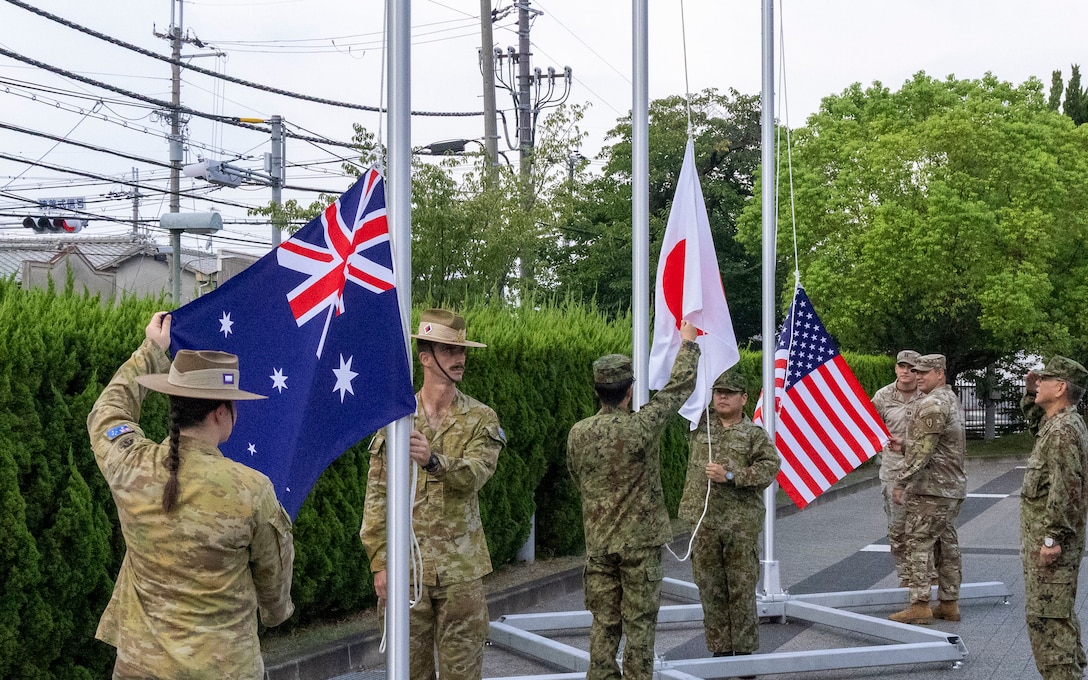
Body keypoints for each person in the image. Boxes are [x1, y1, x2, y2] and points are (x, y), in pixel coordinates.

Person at [87, 311, 295, 680]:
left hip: (140, 667)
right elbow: (274, 591)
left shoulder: (130, 465)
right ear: (220, 411)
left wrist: (152, 348)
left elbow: (107, 412)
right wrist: (275, 612)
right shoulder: (252, 490)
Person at [360, 308, 505, 680]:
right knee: (407, 673)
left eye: (461, 352)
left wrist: (433, 461)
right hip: (405, 571)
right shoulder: (397, 418)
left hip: (461, 573)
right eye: (448, 351)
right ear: (426, 357)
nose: (459, 359)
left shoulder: (481, 418)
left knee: (463, 674)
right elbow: (377, 496)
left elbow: (477, 474)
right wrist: (379, 562)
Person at [566, 320, 699, 680]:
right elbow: (677, 389)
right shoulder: (640, 427)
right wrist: (688, 344)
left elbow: (577, 475)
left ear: (597, 390)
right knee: (639, 627)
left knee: (604, 625)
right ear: (629, 390)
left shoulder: (578, 433)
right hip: (640, 546)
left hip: (598, 545)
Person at [678, 367, 779, 663]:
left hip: (739, 525)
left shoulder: (754, 435)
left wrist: (732, 475)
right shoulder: (700, 425)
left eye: (729, 393)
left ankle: (744, 654)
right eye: (718, 392)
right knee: (710, 589)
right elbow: (681, 398)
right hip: (704, 522)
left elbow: (769, 468)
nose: (722, 397)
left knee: (741, 590)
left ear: (743, 398)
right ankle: (720, 652)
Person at [1019, 356, 1088, 680]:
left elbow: (1067, 487)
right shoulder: (1058, 422)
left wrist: (1052, 539)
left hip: (1052, 548)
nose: (1038, 383)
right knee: (1057, 617)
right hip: (1049, 545)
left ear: (1060, 387)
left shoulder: (1063, 431)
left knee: (1048, 624)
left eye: (1044, 379)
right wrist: (1030, 392)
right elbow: (1036, 424)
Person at [889, 353, 966, 625]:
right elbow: (941, 446)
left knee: (917, 542)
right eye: (914, 371)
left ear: (939, 373)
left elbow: (923, 453)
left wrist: (901, 482)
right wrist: (906, 445)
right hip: (950, 487)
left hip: (933, 489)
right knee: (946, 545)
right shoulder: (949, 399)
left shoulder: (932, 403)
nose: (918, 376)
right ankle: (949, 602)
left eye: (923, 372)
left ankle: (920, 604)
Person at [871, 350, 923, 585]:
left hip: (923, 472)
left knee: (924, 529)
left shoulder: (928, 396)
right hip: (894, 473)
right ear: (896, 369)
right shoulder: (883, 397)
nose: (906, 371)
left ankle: (927, 576)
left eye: (911, 368)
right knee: (898, 528)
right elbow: (869, 428)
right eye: (902, 366)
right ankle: (905, 576)